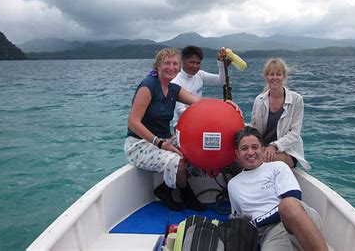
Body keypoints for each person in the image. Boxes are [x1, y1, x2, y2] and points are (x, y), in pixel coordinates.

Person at [124, 47, 240, 211]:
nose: (171, 67)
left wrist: (225, 104)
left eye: (174, 64)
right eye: (167, 63)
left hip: (164, 141)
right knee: (178, 162)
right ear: (157, 65)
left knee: (191, 154)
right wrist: (159, 143)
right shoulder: (148, 87)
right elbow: (133, 122)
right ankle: (185, 194)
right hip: (140, 144)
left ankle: (166, 189)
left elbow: (198, 102)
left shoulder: (173, 89)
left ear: (179, 67)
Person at [228, 126, 328, 251]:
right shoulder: (233, 184)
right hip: (268, 233)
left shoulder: (277, 167)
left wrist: (256, 222)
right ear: (237, 153)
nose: (250, 152)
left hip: (293, 221)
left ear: (263, 150)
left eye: (255, 147)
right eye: (244, 148)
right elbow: (240, 218)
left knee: (288, 205)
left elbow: (295, 200)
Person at [250, 58, 310, 170]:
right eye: (271, 74)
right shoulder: (259, 100)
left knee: (257, 159)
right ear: (266, 77)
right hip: (263, 148)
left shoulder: (296, 100)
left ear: (284, 76)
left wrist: (274, 146)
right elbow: (254, 128)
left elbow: (294, 134)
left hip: (287, 151)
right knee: (241, 157)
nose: (275, 78)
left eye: (278, 74)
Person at [171, 45, 228, 127]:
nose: (195, 66)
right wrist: (208, 111)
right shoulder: (175, 82)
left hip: (199, 120)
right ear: (182, 61)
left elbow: (222, 81)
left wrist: (221, 63)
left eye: (198, 63)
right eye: (192, 62)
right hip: (181, 124)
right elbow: (180, 110)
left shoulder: (200, 75)